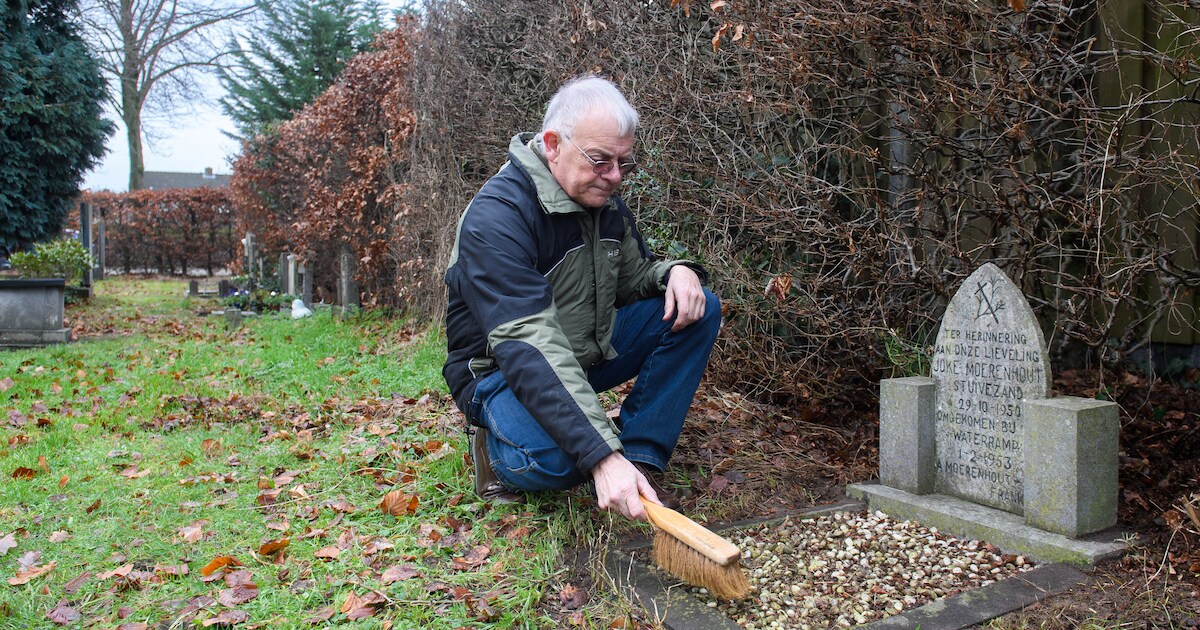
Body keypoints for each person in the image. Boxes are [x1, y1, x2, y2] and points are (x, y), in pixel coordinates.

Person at [442, 75, 720, 522]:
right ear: (553, 144)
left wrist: (676, 272)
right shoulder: (496, 219)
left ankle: (641, 458)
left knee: (697, 307)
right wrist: (600, 456)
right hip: (503, 372)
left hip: (581, 356)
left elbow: (634, 281)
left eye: (624, 163)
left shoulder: (602, 201)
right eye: (600, 160)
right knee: (561, 461)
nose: (614, 177)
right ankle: (495, 453)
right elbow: (528, 343)